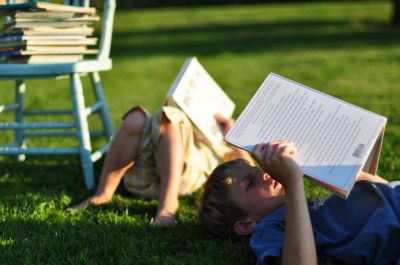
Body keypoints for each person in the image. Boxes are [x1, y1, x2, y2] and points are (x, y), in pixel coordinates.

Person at [199, 140, 400, 265]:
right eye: (251, 183)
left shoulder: (305, 207)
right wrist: (293, 182)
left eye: (259, 170)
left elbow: (384, 190)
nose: (266, 175)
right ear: (246, 224)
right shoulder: (267, 228)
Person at [69, 104, 252, 226]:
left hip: (184, 177)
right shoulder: (196, 135)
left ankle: (168, 206)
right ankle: (104, 192)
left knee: (171, 116)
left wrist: (233, 136)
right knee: (136, 119)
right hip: (143, 182)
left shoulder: (227, 149)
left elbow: (248, 168)